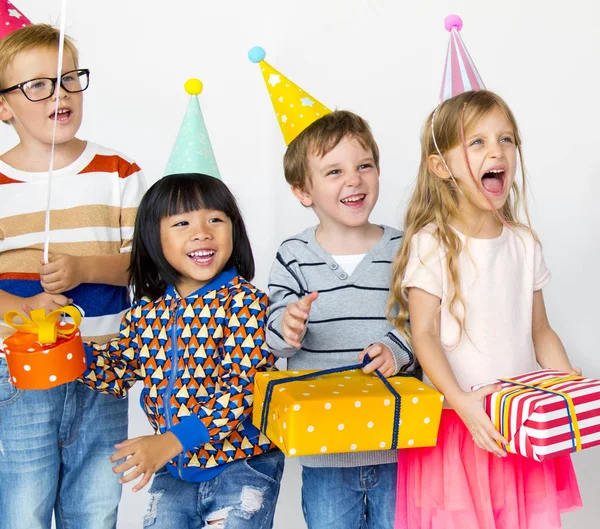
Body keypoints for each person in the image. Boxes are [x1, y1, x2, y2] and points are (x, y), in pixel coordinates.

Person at [390, 89, 582, 529]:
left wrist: (566, 389)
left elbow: (541, 332)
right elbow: (424, 334)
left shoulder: (523, 242)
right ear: (441, 166)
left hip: (520, 421)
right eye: (476, 142)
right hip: (462, 422)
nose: (496, 150)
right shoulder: (432, 244)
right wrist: (459, 401)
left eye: (506, 139)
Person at [0, 23, 145, 529]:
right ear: (4, 106)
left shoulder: (118, 172)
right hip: (21, 373)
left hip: (104, 366)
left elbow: (145, 262)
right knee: (23, 507)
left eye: (69, 79)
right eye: (37, 85)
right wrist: (20, 309)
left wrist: (84, 267)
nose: (58, 94)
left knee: (95, 505)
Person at [82, 173, 284, 529]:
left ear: (233, 230)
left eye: (215, 219)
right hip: (174, 470)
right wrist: (70, 355)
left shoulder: (246, 304)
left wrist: (171, 441)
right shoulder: (145, 313)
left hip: (241, 466)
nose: (202, 231)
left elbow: (241, 391)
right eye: (182, 222)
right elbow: (116, 371)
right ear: (153, 238)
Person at [267, 110, 415, 529]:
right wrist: (288, 326)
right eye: (334, 171)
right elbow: (274, 333)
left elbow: (423, 321)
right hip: (324, 446)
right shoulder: (293, 254)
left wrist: (395, 348)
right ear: (303, 191)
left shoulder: (405, 247)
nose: (354, 179)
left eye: (363, 166)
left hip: (398, 442)